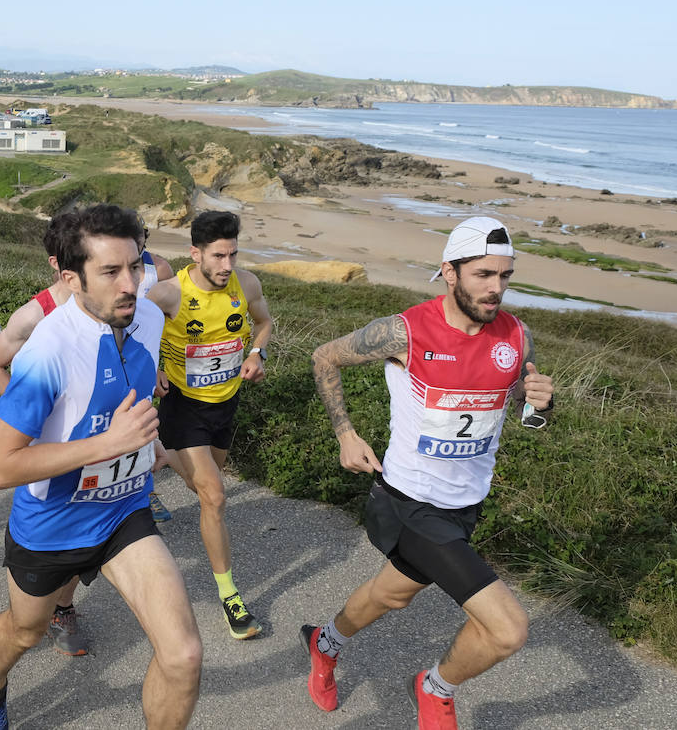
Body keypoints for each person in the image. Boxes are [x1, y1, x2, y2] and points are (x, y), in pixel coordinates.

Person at [302, 217, 555, 730]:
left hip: (465, 505)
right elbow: (324, 357)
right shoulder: (407, 330)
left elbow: (520, 407)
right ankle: (435, 688)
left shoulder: (516, 335)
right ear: (449, 271)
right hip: (408, 503)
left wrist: (540, 404)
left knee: (390, 595)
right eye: (484, 274)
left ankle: (323, 643)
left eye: (506, 276)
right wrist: (346, 434)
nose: (496, 288)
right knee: (507, 630)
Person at [0, 203, 202, 730]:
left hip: (124, 511)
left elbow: (126, 400)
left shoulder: (145, 316)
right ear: (72, 278)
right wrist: (108, 443)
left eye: (136, 266)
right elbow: (1, 469)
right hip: (51, 526)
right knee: (25, 633)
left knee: (184, 656)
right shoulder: (46, 351)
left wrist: (150, 445)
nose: (129, 284)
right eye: (110, 272)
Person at [146, 210, 273, 640]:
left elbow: (264, 322)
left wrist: (257, 354)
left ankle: (163, 456)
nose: (227, 266)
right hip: (183, 406)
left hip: (225, 403)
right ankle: (230, 596)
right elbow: (124, 332)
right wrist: (151, 370)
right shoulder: (167, 294)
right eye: (218, 256)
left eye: (233, 254)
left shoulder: (247, 284)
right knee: (215, 497)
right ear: (195, 253)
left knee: (203, 487)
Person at [0, 212, 93, 655]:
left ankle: (63, 606)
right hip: (46, 455)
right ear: (60, 266)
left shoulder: (113, 306)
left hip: (98, 452)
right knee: (57, 534)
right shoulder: (34, 315)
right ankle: (41, 616)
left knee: (88, 532)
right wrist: (32, 418)